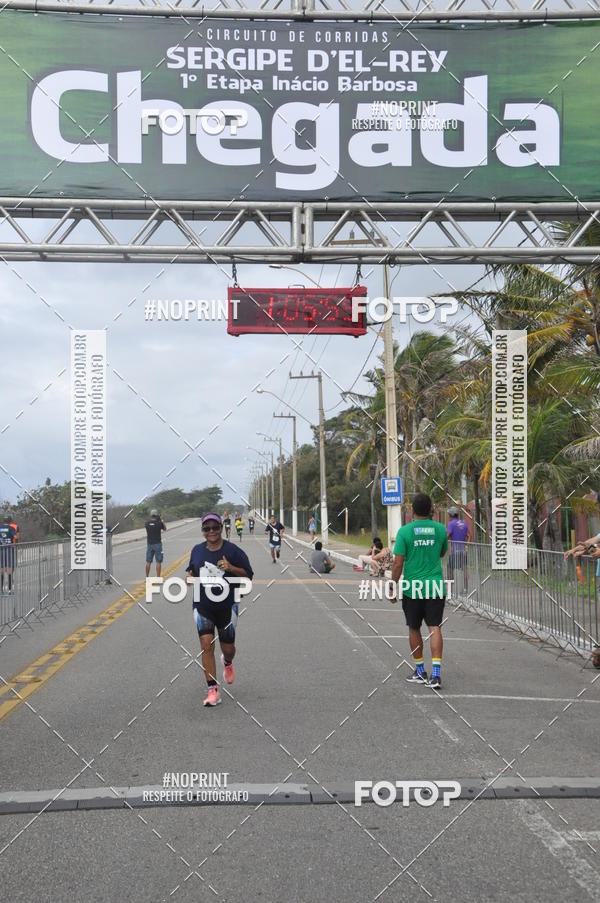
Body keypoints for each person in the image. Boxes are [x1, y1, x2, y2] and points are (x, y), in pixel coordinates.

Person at [186, 513, 253, 707]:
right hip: (202, 605)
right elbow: (192, 571)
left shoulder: (233, 551)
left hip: (227, 606)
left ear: (221, 528)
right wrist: (189, 579)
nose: (211, 532)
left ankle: (228, 661)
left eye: (215, 527)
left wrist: (231, 567)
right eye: (207, 529)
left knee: (228, 648)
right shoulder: (197, 551)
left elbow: (248, 575)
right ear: (203, 532)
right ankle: (213, 690)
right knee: (206, 645)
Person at [391, 493, 448, 690]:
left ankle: (420, 670)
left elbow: (398, 563)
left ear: (412, 510)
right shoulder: (440, 529)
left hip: (413, 588)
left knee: (414, 628)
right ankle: (436, 674)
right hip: (435, 586)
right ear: (431, 509)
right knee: (435, 627)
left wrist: (393, 584)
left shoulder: (404, 532)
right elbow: (441, 552)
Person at [446, 506, 470, 592]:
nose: (448, 516)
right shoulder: (464, 523)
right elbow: (468, 536)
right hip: (463, 551)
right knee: (464, 569)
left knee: (449, 568)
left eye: (449, 514)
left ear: (451, 515)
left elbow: (447, 535)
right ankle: (465, 588)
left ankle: (450, 590)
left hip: (454, 551)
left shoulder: (451, 524)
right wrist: (466, 546)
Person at [145, 509, 166, 579]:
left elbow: (151, 524)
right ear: (157, 515)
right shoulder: (159, 523)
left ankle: (147, 577)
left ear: (151, 515)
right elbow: (165, 529)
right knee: (158, 561)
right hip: (157, 544)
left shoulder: (147, 523)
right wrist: (161, 521)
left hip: (149, 544)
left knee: (148, 562)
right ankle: (158, 577)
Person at [0, 518, 17, 594]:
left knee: (1, 568)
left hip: (1, 549)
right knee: (9, 568)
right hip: (9, 549)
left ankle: (1, 589)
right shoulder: (11, 528)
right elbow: (16, 537)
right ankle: (9, 590)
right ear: (10, 521)